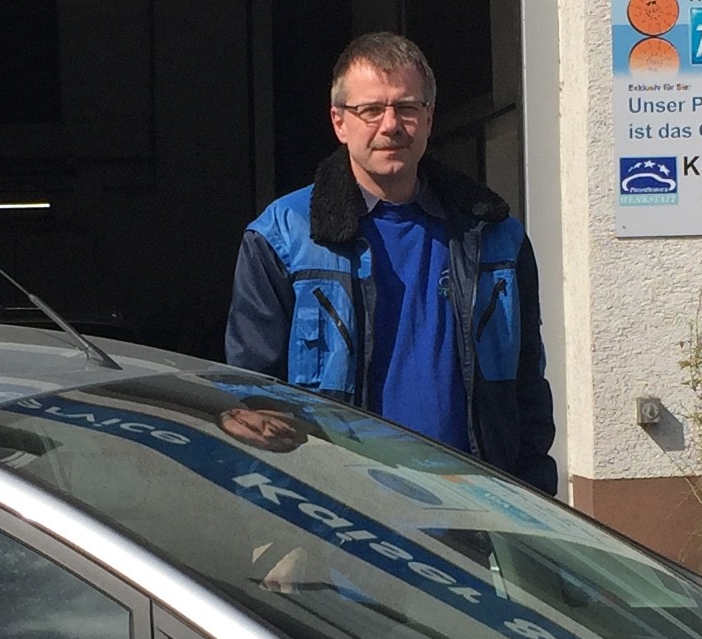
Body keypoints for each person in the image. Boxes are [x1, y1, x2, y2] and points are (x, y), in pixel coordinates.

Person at [224, 30, 557, 492]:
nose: (391, 125)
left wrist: (534, 501)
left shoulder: (495, 236)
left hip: (475, 501)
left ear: (429, 117)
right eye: (371, 110)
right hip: (341, 502)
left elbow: (528, 390)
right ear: (339, 122)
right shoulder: (281, 237)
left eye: (406, 107)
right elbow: (256, 396)